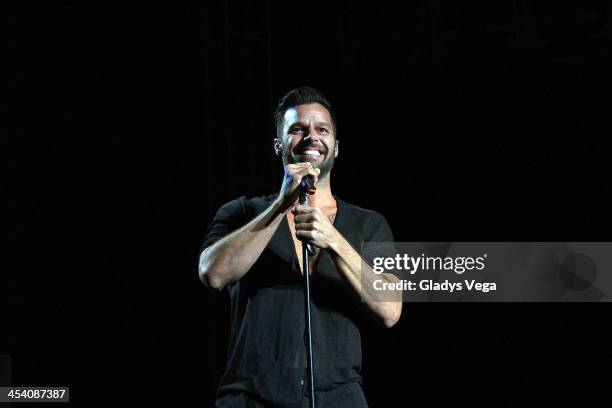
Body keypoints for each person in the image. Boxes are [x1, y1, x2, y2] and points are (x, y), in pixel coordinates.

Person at [199, 86, 402, 407]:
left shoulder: (369, 224)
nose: (312, 137)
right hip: (251, 396)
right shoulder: (241, 212)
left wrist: (333, 240)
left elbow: (389, 309)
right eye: (297, 129)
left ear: (336, 147)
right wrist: (281, 204)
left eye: (322, 129)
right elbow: (213, 274)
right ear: (278, 144)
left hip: (338, 397)